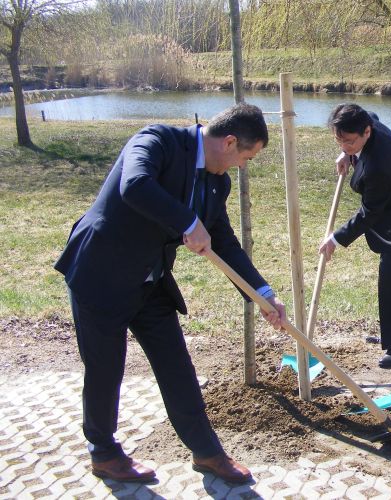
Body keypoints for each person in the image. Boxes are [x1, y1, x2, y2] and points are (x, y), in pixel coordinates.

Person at [54, 102, 287, 484]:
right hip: (101, 274)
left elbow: (223, 241)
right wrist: (187, 220)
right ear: (229, 142)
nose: (244, 165)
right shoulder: (157, 140)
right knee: (105, 368)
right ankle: (104, 452)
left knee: (177, 366)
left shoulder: (217, 181)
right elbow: (135, 185)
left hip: (151, 282)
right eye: (247, 156)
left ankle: (207, 452)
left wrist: (261, 293)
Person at [319, 104, 391, 368]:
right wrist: (346, 153)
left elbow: (369, 213)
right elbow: (370, 113)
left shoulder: (380, 164)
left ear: (367, 133)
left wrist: (336, 238)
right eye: (339, 139)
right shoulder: (365, 122)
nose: (345, 144)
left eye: (350, 141)